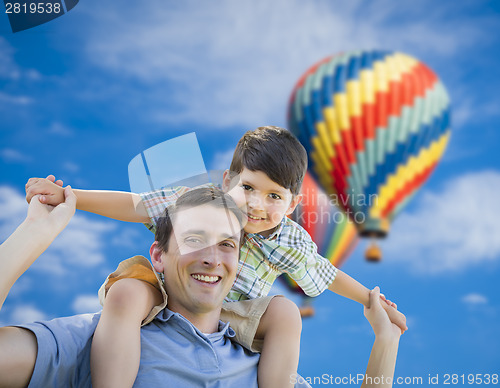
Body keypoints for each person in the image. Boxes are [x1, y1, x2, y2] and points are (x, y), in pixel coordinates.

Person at [25, 126, 407, 388]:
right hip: (169, 291)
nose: (257, 205)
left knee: (286, 313)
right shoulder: (202, 203)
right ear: (227, 181)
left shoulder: (289, 239)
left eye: (274, 196)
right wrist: (71, 197)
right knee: (127, 293)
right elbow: (138, 204)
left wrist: (371, 300)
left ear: (292, 205)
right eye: (249, 188)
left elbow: (326, 273)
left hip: (234, 314)